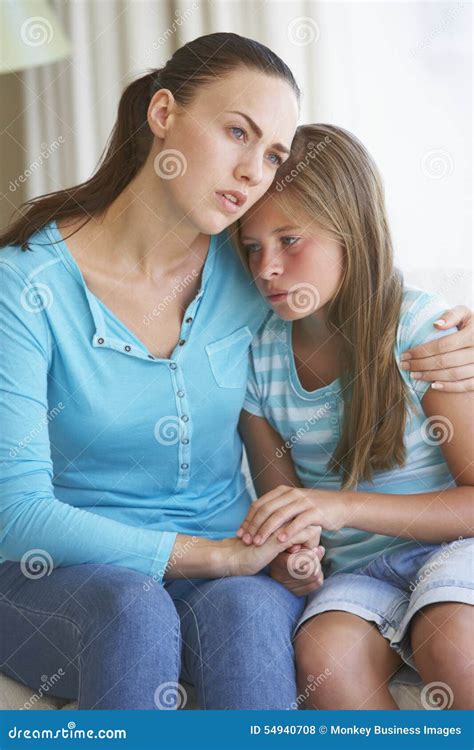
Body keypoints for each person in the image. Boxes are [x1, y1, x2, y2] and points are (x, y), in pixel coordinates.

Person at [0, 33, 472, 710]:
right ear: (163, 114)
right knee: (132, 611)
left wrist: (464, 334)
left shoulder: (251, 270)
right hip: (65, 574)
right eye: (235, 132)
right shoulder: (26, 287)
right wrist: (211, 555)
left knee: (249, 618)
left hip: (233, 561)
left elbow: (359, 280)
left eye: (272, 153)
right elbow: (15, 514)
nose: (254, 171)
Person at [236, 123, 473, 710]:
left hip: (453, 548)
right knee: (324, 656)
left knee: (451, 639)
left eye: (290, 240)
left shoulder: (424, 333)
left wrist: (339, 504)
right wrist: (295, 557)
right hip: (358, 577)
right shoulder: (258, 360)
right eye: (251, 246)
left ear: (353, 233)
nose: (266, 267)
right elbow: (288, 513)